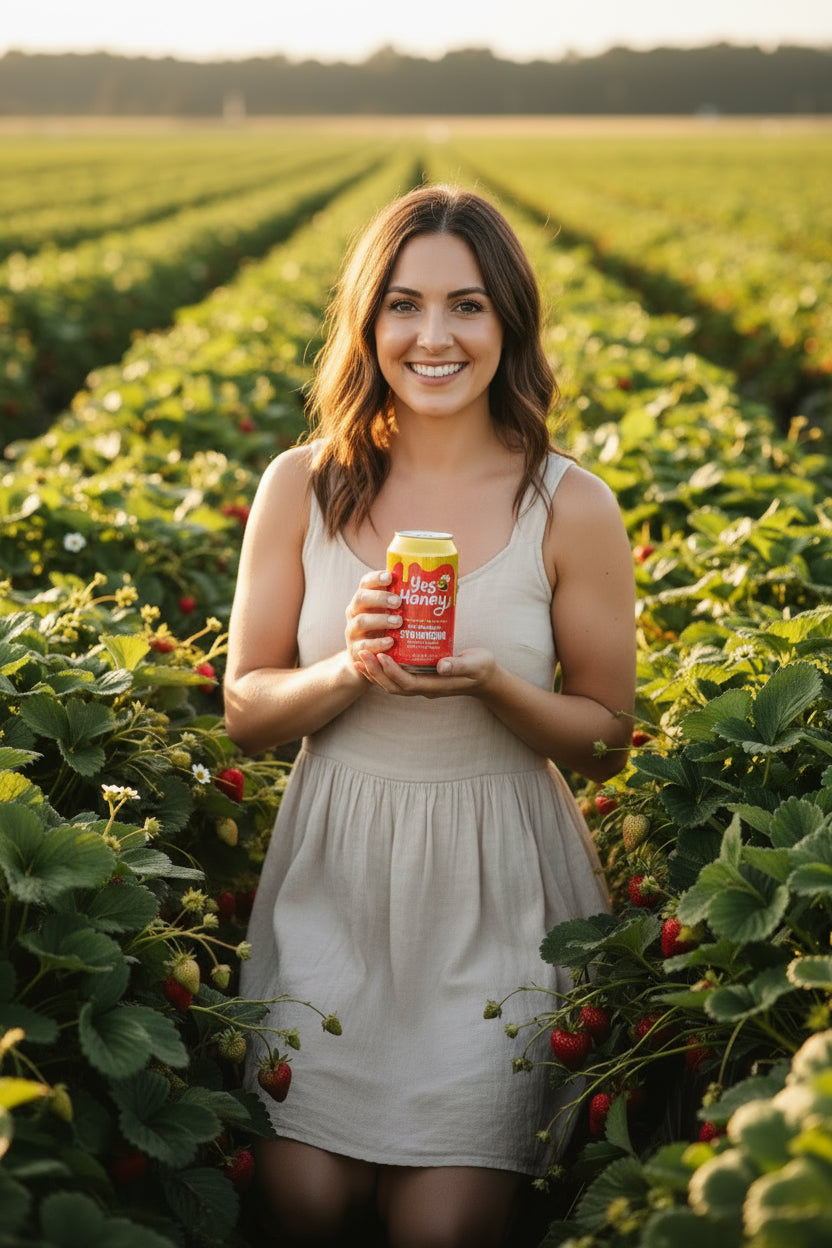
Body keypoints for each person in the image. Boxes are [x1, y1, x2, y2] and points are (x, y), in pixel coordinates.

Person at [224, 183, 636, 1248]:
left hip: (495, 887)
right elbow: (246, 709)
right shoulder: (302, 488)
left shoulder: (568, 503)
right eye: (403, 305)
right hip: (337, 879)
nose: (434, 335)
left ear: (508, 323)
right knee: (304, 1201)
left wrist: (494, 684)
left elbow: (604, 738)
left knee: (441, 1227)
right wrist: (346, 673)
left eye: (467, 306)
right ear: (369, 325)